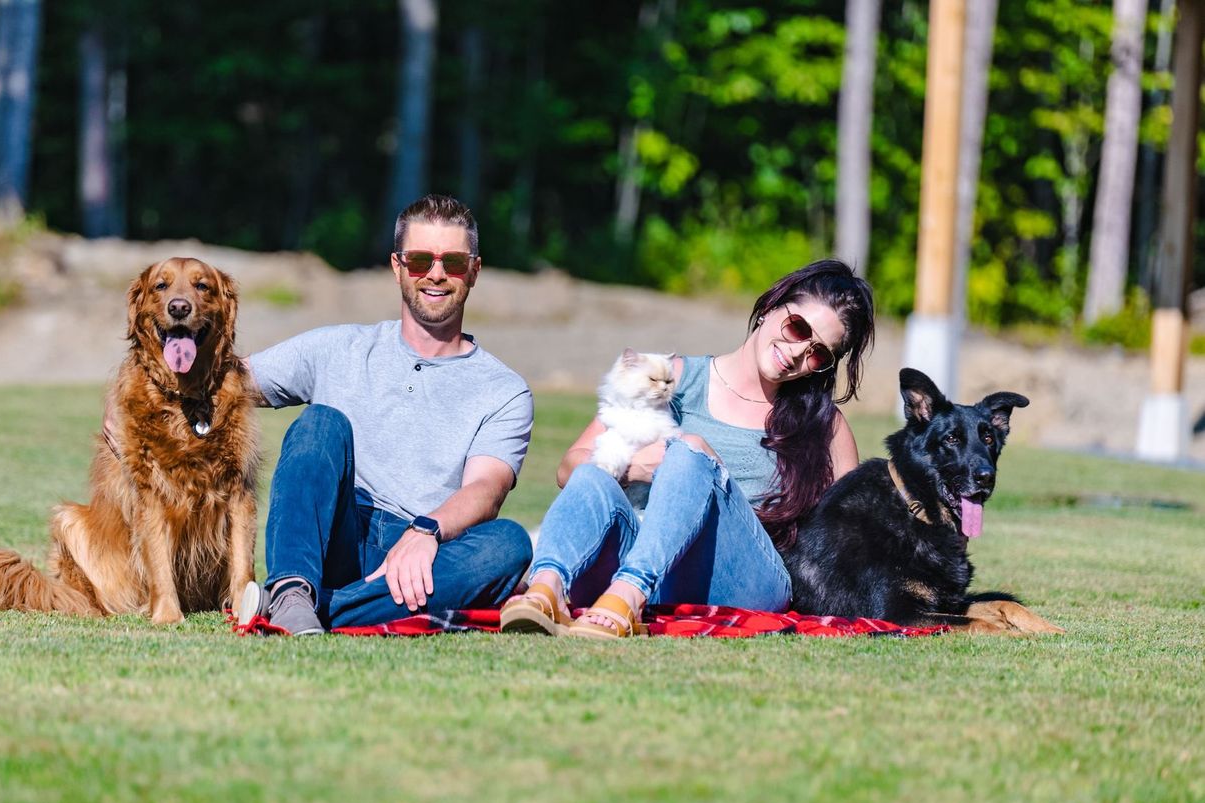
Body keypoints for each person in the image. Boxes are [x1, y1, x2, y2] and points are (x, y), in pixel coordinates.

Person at [499, 259, 875, 638]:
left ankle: (627, 596)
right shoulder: (673, 376)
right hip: (655, 559)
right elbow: (570, 469)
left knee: (690, 450)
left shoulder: (825, 426)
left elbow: (849, 538)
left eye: (818, 354)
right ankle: (546, 588)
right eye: (797, 328)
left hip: (746, 578)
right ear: (770, 307)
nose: (798, 353)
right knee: (597, 476)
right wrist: (636, 469)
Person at [243, 194, 534, 634]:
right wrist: (125, 393)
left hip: (421, 555)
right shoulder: (336, 347)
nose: (435, 274)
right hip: (335, 533)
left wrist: (426, 531)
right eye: (420, 260)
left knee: (509, 545)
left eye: (452, 262)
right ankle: (293, 588)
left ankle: (302, 605)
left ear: (474, 270)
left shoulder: (505, 390)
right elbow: (223, 383)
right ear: (398, 266)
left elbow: (486, 490)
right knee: (322, 423)